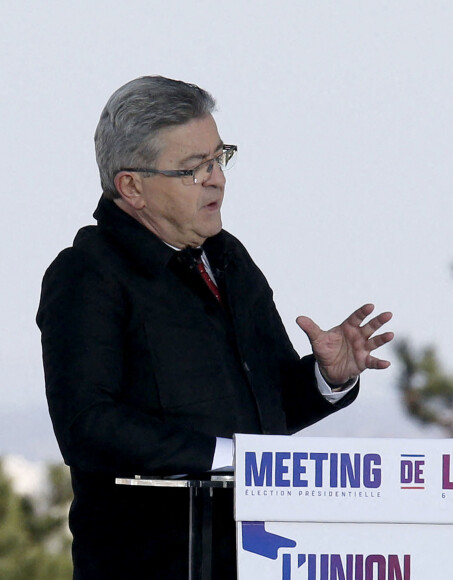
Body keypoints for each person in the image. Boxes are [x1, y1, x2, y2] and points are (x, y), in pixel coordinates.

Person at [36, 76, 394, 579]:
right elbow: (88, 427)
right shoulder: (87, 275)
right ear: (132, 187)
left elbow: (269, 412)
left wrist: (327, 378)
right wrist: (229, 459)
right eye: (192, 169)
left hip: (257, 561)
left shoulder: (229, 261)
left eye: (219, 158)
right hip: (150, 565)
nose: (216, 179)